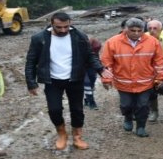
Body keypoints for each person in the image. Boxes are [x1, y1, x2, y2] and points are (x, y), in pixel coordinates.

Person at [25, 12, 104, 151]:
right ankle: (62, 133)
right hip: (52, 80)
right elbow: (31, 61)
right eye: (59, 27)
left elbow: (90, 56)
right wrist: (31, 82)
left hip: (75, 78)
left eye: (66, 27)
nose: (63, 30)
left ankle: (77, 136)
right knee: (54, 109)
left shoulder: (80, 36)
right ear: (51, 23)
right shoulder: (39, 38)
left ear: (70, 23)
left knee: (77, 109)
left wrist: (101, 70)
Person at [101, 18, 163, 137]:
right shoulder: (112, 42)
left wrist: (160, 78)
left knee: (143, 105)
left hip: (145, 81)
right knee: (126, 104)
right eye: (133, 31)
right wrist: (106, 79)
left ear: (143, 30)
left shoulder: (152, 42)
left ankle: (141, 127)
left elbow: (159, 62)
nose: (136, 33)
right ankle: (128, 117)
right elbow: (107, 62)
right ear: (126, 29)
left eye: (139, 31)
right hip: (123, 82)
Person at [83, 37, 102, 110]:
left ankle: (86, 98)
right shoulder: (82, 48)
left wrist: (101, 70)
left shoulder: (96, 48)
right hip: (82, 67)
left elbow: (96, 59)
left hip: (91, 66)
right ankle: (92, 102)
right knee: (86, 83)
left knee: (91, 83)